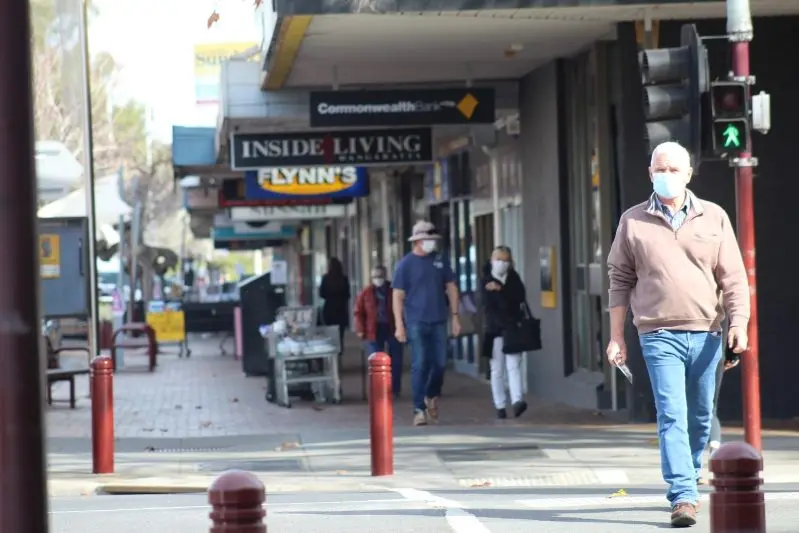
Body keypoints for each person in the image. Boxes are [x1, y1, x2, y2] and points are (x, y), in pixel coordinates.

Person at [606, 141, 749, 528]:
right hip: (657, 334)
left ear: (688, 174)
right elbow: (619, 280)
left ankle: (687, 468)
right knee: (672, 413)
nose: (665, 175)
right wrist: (616, 336)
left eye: (673, 169)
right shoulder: (632, 221)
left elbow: (733, 278)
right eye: (659, 169)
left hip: (707, 333)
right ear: (650, 173)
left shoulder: (714, 217)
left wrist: (738, 323)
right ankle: (683, 494)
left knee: (702, 415)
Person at [392, 221, 461, 427]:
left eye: (433, 240)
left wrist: (455, 316)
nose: (432, 243)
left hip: (439, 319)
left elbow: (451, 287)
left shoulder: (440, 260)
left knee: (440, 363)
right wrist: (399, 324)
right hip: (416, 321)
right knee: (420, 363)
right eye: (429, 239)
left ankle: (431, 395)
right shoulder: (405, 264)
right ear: (419, 241)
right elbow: (397, 296)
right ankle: (418, 409)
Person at [481, 245, 528, 419]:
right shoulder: (485, 279)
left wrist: (501, 290)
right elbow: (487, 305)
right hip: (494, 331)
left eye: (505, 260)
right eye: (498, 259)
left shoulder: (513, 278)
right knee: (497, 369)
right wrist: (495, 292)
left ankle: (517, 401)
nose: (502, 263)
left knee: (514, 365)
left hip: (512, 327)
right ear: (492, 260)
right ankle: (500, 404)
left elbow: (520, 297)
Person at [353, 265, 403, 397]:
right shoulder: (366, 292)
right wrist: (360, 329)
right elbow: (358, 312)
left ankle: (395, 389)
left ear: (385, 276)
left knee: (396, 359)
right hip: (373, 329)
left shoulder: (393, 290)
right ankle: (378, 389)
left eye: (380, 276)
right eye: (375, 276)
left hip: (392, 327)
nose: (377, 279)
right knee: (375, 359)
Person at [319, 257, 351, 360]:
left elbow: (322, 294)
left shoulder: (326, 278)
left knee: (330, 333)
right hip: (341, 309)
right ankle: (339, 353)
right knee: (340, 334)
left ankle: (332, 354)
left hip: (329, 309)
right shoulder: (344, 279)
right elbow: (348, 295)